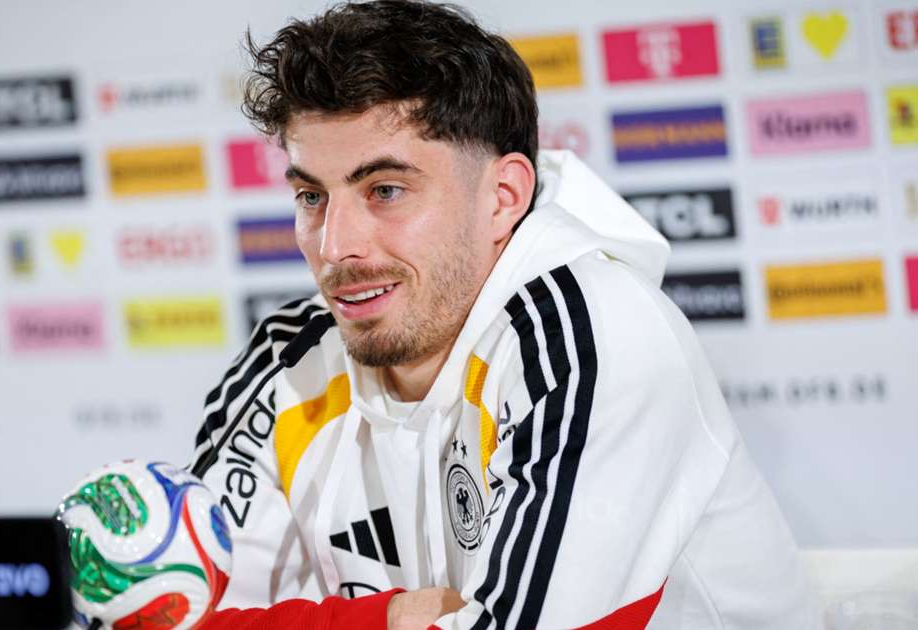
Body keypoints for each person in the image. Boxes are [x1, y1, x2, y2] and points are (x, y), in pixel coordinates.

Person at [188, 1, 816, 628]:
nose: (335, 247)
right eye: (311, 196)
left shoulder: (592, 336)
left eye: (385, 190)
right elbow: (170, 612)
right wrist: (387, 619)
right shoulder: (290, 358)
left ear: (503, 197)